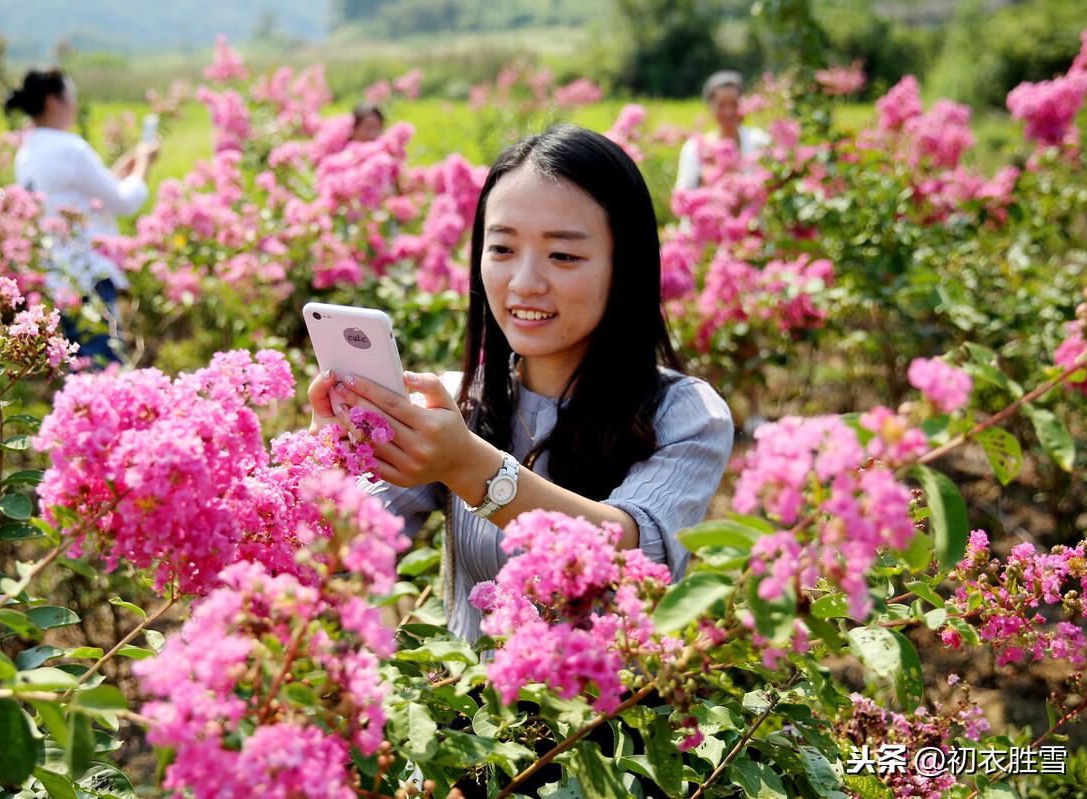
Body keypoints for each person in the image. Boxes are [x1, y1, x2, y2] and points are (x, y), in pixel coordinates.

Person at [309, 125, 733, 644]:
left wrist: (466, 464)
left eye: (564, 256)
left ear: (625, 268)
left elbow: (629, 553)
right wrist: (332, 460)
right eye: (503, 248)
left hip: (616, 721)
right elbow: (343, 552)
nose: (525, 282)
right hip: (470, 722)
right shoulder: (457, 405)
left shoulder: (686, 415)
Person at [5, 68, 157, 364]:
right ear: (53, 101)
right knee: (106, 368)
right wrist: (145, 163)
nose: (75, 105)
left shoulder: (27, 152)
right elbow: (124, 202)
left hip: (59, 279)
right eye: (71, 97)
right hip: (91, 276)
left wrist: (128, 163)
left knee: (82, 369)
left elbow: (84, 199)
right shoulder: (70, 148)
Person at [674, 70, 772, 192]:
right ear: (710, 106)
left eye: (734, 104)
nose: (728, 112)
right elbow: (683, 194)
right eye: (721, 105)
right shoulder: (694, 148)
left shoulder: (760, 141)